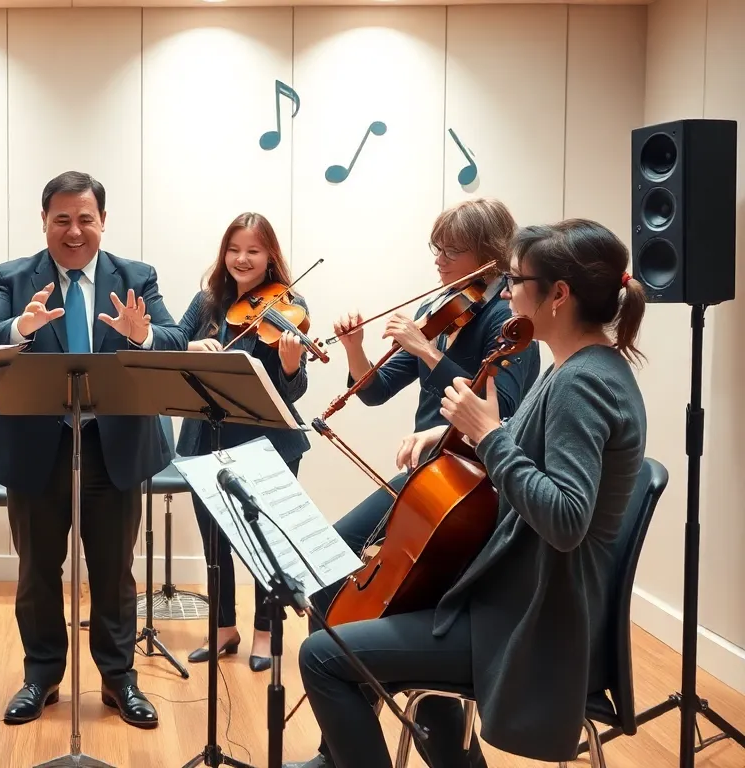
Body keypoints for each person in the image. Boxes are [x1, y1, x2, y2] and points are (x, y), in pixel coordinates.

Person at [287, 218, 648, 768]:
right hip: (517, 593)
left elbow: (567, 518)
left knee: (322, 654)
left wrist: (488, 433)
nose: (505, 292)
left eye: (516, 281)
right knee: (365, 614)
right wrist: (457, 432)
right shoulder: (578, 367)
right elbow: (526, 454)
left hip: (530, 616)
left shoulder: (584, 382)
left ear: (557, 295)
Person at [298, 198, 541, 766]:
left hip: (464, 496)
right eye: (436, 249)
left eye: (449, 251)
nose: (438, 261)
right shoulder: (451, 309)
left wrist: (429, 353)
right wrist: (359, 350)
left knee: (368, 604)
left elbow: (499, 410)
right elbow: (376, 389)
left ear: (488, 256)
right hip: (426, 482)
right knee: (326, 571)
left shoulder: (508, 321)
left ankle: (346, 751)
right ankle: (345, 747)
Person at [0, 171, 187, 729]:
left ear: (103, 221)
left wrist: (144, 337)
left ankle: (119, 680)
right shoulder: (13, 277)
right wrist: (19, 326)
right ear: (44, 221)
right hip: (36, 448)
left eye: (85, 219)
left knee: (114, 572)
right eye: (61, 219)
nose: (73, 231)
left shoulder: (136, 276)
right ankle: (41, 676)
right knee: (38, 571)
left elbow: (176, 341)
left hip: (114, 448)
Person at [176, 212, 312, 672]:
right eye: (234, 249)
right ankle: (223, 628)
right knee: (215, 542)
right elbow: (171, 344)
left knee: (263, 542)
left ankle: (265, 631)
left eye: (253, 250)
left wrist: (291, 367)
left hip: (267, 444)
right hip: (204, 440)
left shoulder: (288, 307)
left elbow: (294, 391)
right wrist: (190, 347)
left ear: (270, 255)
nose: (242, 259)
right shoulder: (207, 303)